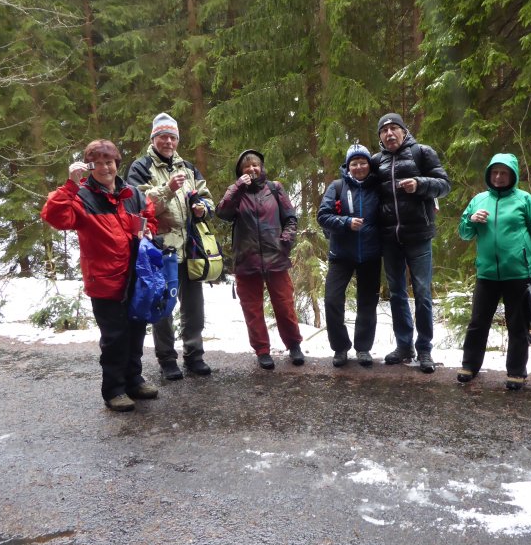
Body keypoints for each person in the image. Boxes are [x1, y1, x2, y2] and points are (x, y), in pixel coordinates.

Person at [41, 140, 159, 412]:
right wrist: (70, 185)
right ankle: (114, 390)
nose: (106, 167)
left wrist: (147, 229)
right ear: (90, 166)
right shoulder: (81, 196)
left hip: (137, 277)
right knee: (115, 337)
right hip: (105, 280)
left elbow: (149, 217)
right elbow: (55, 216)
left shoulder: (132, 194)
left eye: (111, 162)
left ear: (117, 163)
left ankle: (134, 379)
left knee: (136, 332)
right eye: (99, 163)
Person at [127, 113, 214, 381]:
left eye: (172, 137)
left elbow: (207, 197)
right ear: (153, 138)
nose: (168, 141)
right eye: (163, 136)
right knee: (163, 308)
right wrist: (167, 189)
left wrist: (203, 208)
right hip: (161, 250)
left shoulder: (187, 168)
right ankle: (167, 360)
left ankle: (194, 355)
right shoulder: (141, 167)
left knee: (194, 307)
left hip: (191, 249)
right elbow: (137, 203)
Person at [458, 153, 531, 391]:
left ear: (512, 175)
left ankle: (516, 372)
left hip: (518, 272)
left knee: (517, 324)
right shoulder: (479, 199)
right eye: (495, 172)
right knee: (478, 322)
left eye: (504, 173)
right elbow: (464, 232)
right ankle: (469, 366)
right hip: (486, 274)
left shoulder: (524, 199)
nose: (499, 177)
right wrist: (471, 221)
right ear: (489, 174)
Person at [373, 113, 451, 373]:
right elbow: (360, 182)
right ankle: (404, 345)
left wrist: (419, 184)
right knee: (396, 294)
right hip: (390, 238)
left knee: (422, 293)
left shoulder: (422, 152)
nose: (390, 133)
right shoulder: (376, 161)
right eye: (384, 131)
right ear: (380, 137)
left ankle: (425, 348)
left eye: (394, 128)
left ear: (404, 131)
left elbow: (443, 185)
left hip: (419, 235)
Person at [215, 150, 304, 370]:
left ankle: (294, 345)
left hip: (276, 257)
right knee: (252, 309)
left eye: (255, 165)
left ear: (261, 167)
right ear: (240, 172)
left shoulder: (275, 188)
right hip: (247, 259)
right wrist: (237, 187)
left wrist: (286, 240)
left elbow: (291, 218)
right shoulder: (235, 193)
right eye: (247, 167)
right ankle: (262, 350)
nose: (252, 169)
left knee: (284, 305)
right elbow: (222, 212)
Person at [317, 143, 381, 367]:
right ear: (348, 166)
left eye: (363, 162)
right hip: (341, 254)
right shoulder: (337, 187)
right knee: (332, 300)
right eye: (354, 163)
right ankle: (340, 348)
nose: (359, 166)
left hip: (371, 254)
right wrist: (345, 222)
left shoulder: (377, 187)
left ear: (369, 165)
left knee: (367, 303)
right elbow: (322, 216)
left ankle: (363, 348)